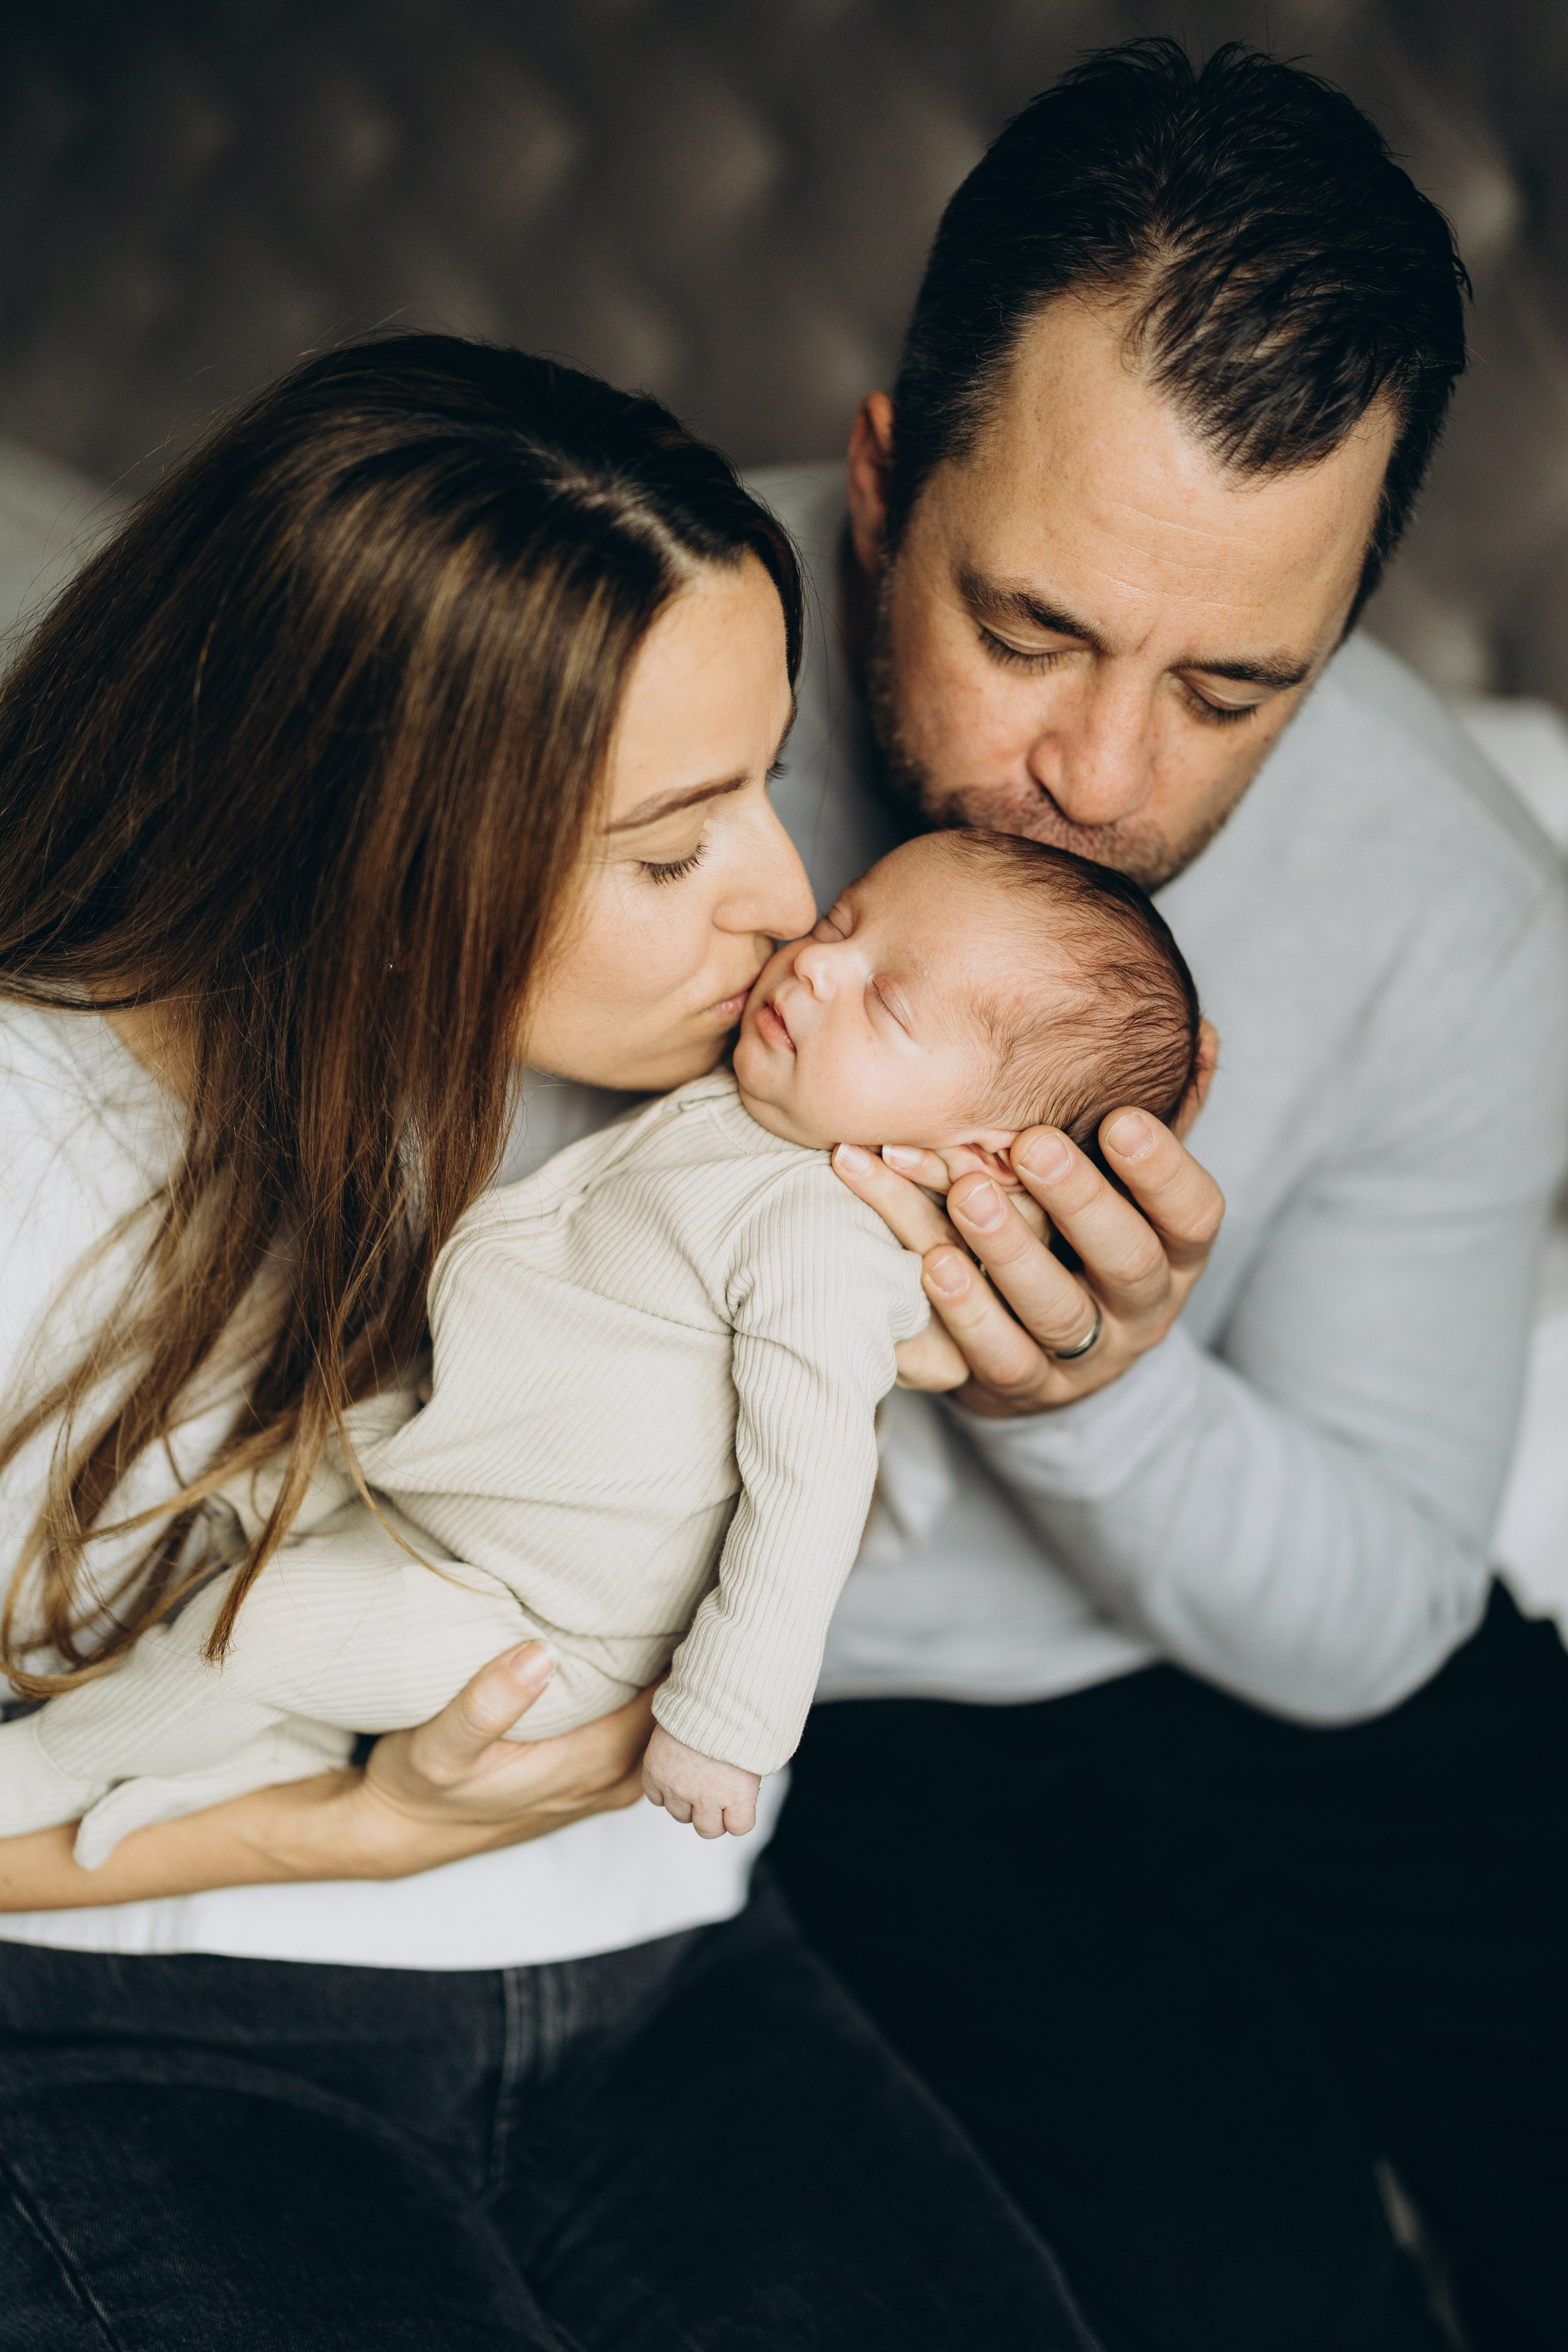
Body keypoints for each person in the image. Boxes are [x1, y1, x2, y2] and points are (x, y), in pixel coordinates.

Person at [0, 336, 1096, 2351]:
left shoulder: (739, 1067)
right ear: (363, 843)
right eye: (674, 850)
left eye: (769, 783)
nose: (786, 899)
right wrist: (340, 1830)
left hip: (665, 1963)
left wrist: (1033, 1340)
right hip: (148, 2006)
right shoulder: (29, 1158)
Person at [741, 39, 1568, 2352]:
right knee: (1255, 2294)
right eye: (1029, 633)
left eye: (1235, 686)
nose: (1100, 777)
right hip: (865, 1722)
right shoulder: (601, 702)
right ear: (887, 485)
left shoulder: (1459, 906)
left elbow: (1382, 1611)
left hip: (1270, 1626)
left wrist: (1094, 1395)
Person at [0, 828, 1199, 1856]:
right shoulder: (753, 1104)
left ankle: (47, 1778)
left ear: (982, 1160)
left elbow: (810, 1490)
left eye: (884, 1000)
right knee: (217, 1503)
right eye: (843, 919)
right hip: (441, 1479)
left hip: (533, 1616)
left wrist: (725, 1722)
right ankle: (237, 1748)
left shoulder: (826, 1243)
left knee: (251, 1633)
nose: (816, 958)